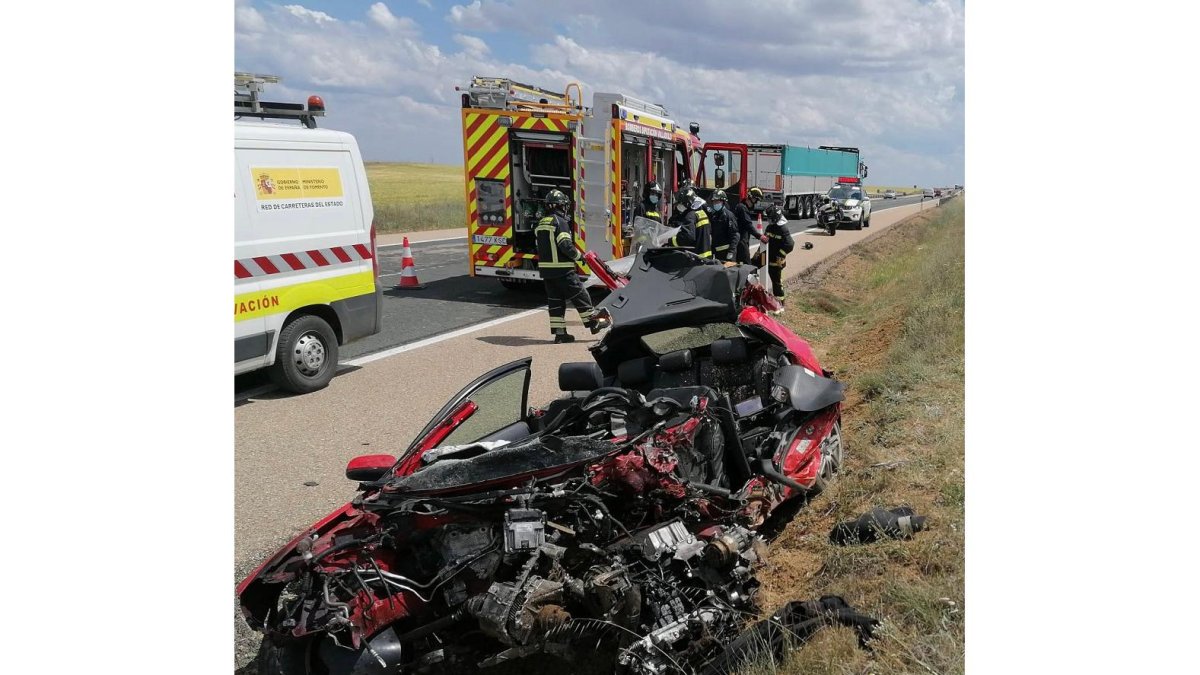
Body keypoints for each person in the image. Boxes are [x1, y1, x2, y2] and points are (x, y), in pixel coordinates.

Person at [535, 189, 610, 343]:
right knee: (580, 295)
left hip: (547, 272)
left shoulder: (541, 223)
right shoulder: (560, 222)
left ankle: (560, 334)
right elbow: (565, 245)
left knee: (555, 302)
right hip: (563, 270)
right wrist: (579, 257)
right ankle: (593, 323)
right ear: (560, 206)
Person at [757, 203, 794, 309]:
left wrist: (780, 255)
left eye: (770, 218)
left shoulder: (783, 229)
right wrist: (758, 254)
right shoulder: (770, 227)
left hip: (777, 261)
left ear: (776, 218)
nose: (768, 220)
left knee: (776, 282)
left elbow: (790, 245)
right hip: (766, 257)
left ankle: (780, 303)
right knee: (755, 271)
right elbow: (764, 242)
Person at [667, 185, 712, 259]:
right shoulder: (701, 213)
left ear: (686, 203)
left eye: (679, 203)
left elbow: (688, 237)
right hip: (706, 256)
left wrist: (670, 240)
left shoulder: (690, 216)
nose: (678, 206)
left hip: (696, 258)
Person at [707, 189, 740, 263]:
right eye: (714, 201)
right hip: (718, 253)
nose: (715, 203)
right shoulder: (714, 216)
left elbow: (735, 235)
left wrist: (731, 251)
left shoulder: (729, 216)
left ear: (723, 202)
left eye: (717, 201)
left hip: (727, 253)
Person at [733, 186, 764, 264]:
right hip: (741, 241)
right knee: (747, 264)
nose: (756, 203)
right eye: (756, 200)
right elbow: (748, 225)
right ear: (752, 198)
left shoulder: (742, 207)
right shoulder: (742, 208)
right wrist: (760, 236)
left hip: (741, 239)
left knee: (741, 263)